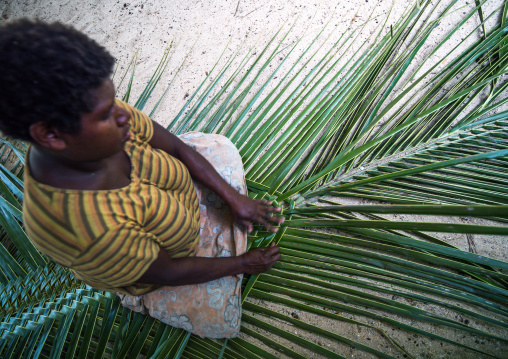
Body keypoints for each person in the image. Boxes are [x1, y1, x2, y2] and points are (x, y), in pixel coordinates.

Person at [0, 19, 284, 338]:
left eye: (113, 101)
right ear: (51, 134)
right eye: (107, 114)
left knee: (220, 148)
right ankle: (147, 300)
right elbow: (171, 270)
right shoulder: (90, 232)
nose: (123, 115)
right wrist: (244, 263)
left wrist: (233, 199)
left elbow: (176, 145)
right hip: (165, 261)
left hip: (177, 202)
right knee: (221, 323)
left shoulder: (93, 124)